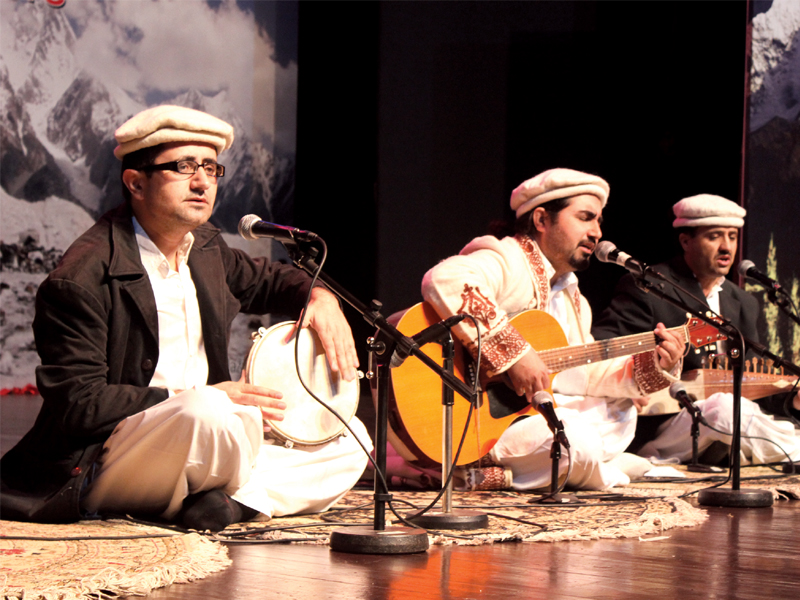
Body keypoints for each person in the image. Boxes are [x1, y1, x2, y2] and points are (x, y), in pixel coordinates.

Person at [0, 105, 371, 530]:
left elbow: (273, 280)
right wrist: (188, 396)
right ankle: (232, 497)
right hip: (109, 455)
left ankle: (221, 505)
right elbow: (79, 406)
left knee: (351, 437)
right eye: (184, 167)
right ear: (135, 183)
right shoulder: (82, 278)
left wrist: (321, 297)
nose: (202, 182)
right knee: (207, 410)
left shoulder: (206, 248)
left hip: (210, 436)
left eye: (211, 169)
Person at [415, 168, 684, 491]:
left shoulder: (574, 299)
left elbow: (583, 374)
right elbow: (444, 278)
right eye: (585, 217)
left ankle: (547, 469)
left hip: (522, 414)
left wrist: (655, 365)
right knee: (577, 445)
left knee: (620, 413)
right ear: (542, 220)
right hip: (469, 414)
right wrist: (516, 356)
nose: (597, 232)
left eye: (599, 220)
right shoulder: (509, 258)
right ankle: (592, 469)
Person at [592, 194, 800, 465]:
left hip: (721, 425)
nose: (727, 247)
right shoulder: (649, 287)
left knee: (734, 409)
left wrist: (791, 399)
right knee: (724, 408)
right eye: (714, 237)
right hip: (663, 423)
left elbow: (748, 382)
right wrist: (648, 364)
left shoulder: (743, 303)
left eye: (732, 237)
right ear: (685, 241)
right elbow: (603, 346)